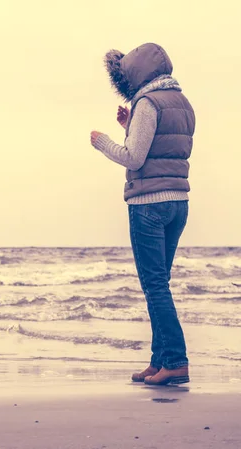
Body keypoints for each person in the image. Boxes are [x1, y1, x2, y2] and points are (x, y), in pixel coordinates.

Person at [89, 43, 195, 385]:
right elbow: (163, 147)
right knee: (159, 284)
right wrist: (131, 126)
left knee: (154, 286)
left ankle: (176, 361)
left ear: (136, 74)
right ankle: (159, 361)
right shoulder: (182, 102)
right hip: (178, 202)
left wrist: (104, 142)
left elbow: (134, 158)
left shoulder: (147, 103)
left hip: (148, 203)